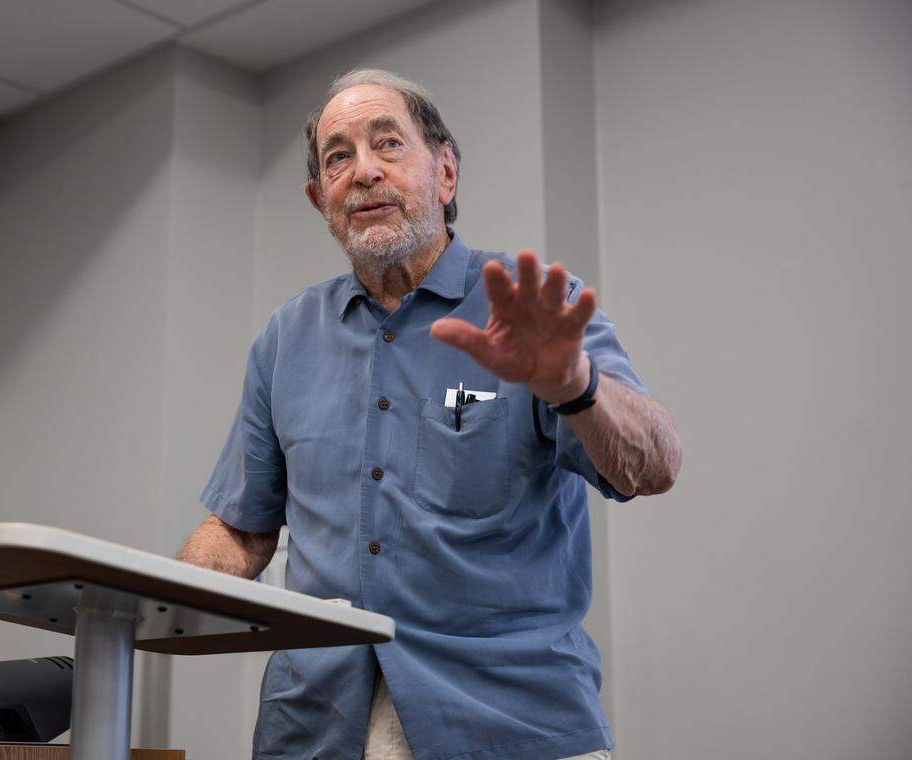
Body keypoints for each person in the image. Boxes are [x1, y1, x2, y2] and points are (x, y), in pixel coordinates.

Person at [177, 69, 682, 760]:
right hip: (315, 730)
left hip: (508, 723)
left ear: (445, 173)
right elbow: (241, 529)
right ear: (320, 200)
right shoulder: (285, 338)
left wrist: (577, 384)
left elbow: (653, 465)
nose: (363, 172)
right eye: (338, 157)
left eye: (388, 144)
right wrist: (151, 592)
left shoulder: (533, 308)